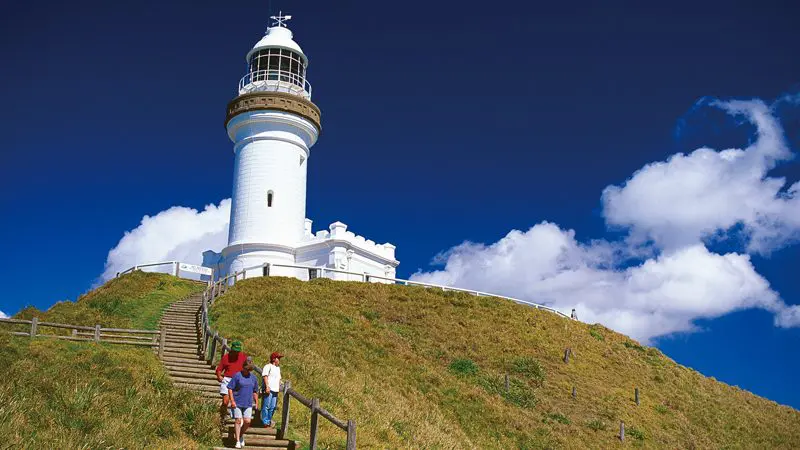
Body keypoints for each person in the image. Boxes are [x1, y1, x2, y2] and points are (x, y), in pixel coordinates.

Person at [227, 362, 260, 449]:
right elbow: (230, 388)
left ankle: (241, 434)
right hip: (237, 402)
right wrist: (232, 400)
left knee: (247, 421)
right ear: (243, 368)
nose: (248, 371)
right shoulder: (237, 376)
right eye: (247, 369)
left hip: (248, 402)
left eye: (250, 370)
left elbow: (255, 391)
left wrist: (256, 402)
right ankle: (237, 441)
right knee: (238, 420)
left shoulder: (253, 378)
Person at [216, 341, 248, 420]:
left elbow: (247, 368)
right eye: (234, 351)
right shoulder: (226, 357)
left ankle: (237, 418)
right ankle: (222, 415)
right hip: (227, 379)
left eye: (237, 351)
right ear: (232, 350)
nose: (236, 353)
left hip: (238, 380)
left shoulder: (243, 357)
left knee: (237, 401)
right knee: (225, 401)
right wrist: (219, 376)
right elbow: (219, 369)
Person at [261, 352, 283, 427]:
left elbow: (279, 379)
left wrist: (280, 385)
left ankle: (269, 420)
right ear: (274, 359)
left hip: (275, 390)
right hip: (269, 389)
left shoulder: (278, 368)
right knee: (266, 405)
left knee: (273, 407)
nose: (279, 360)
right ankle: (265, 421)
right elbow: (265, 376)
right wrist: (267, 386)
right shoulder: (268, 366)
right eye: (278, 358)